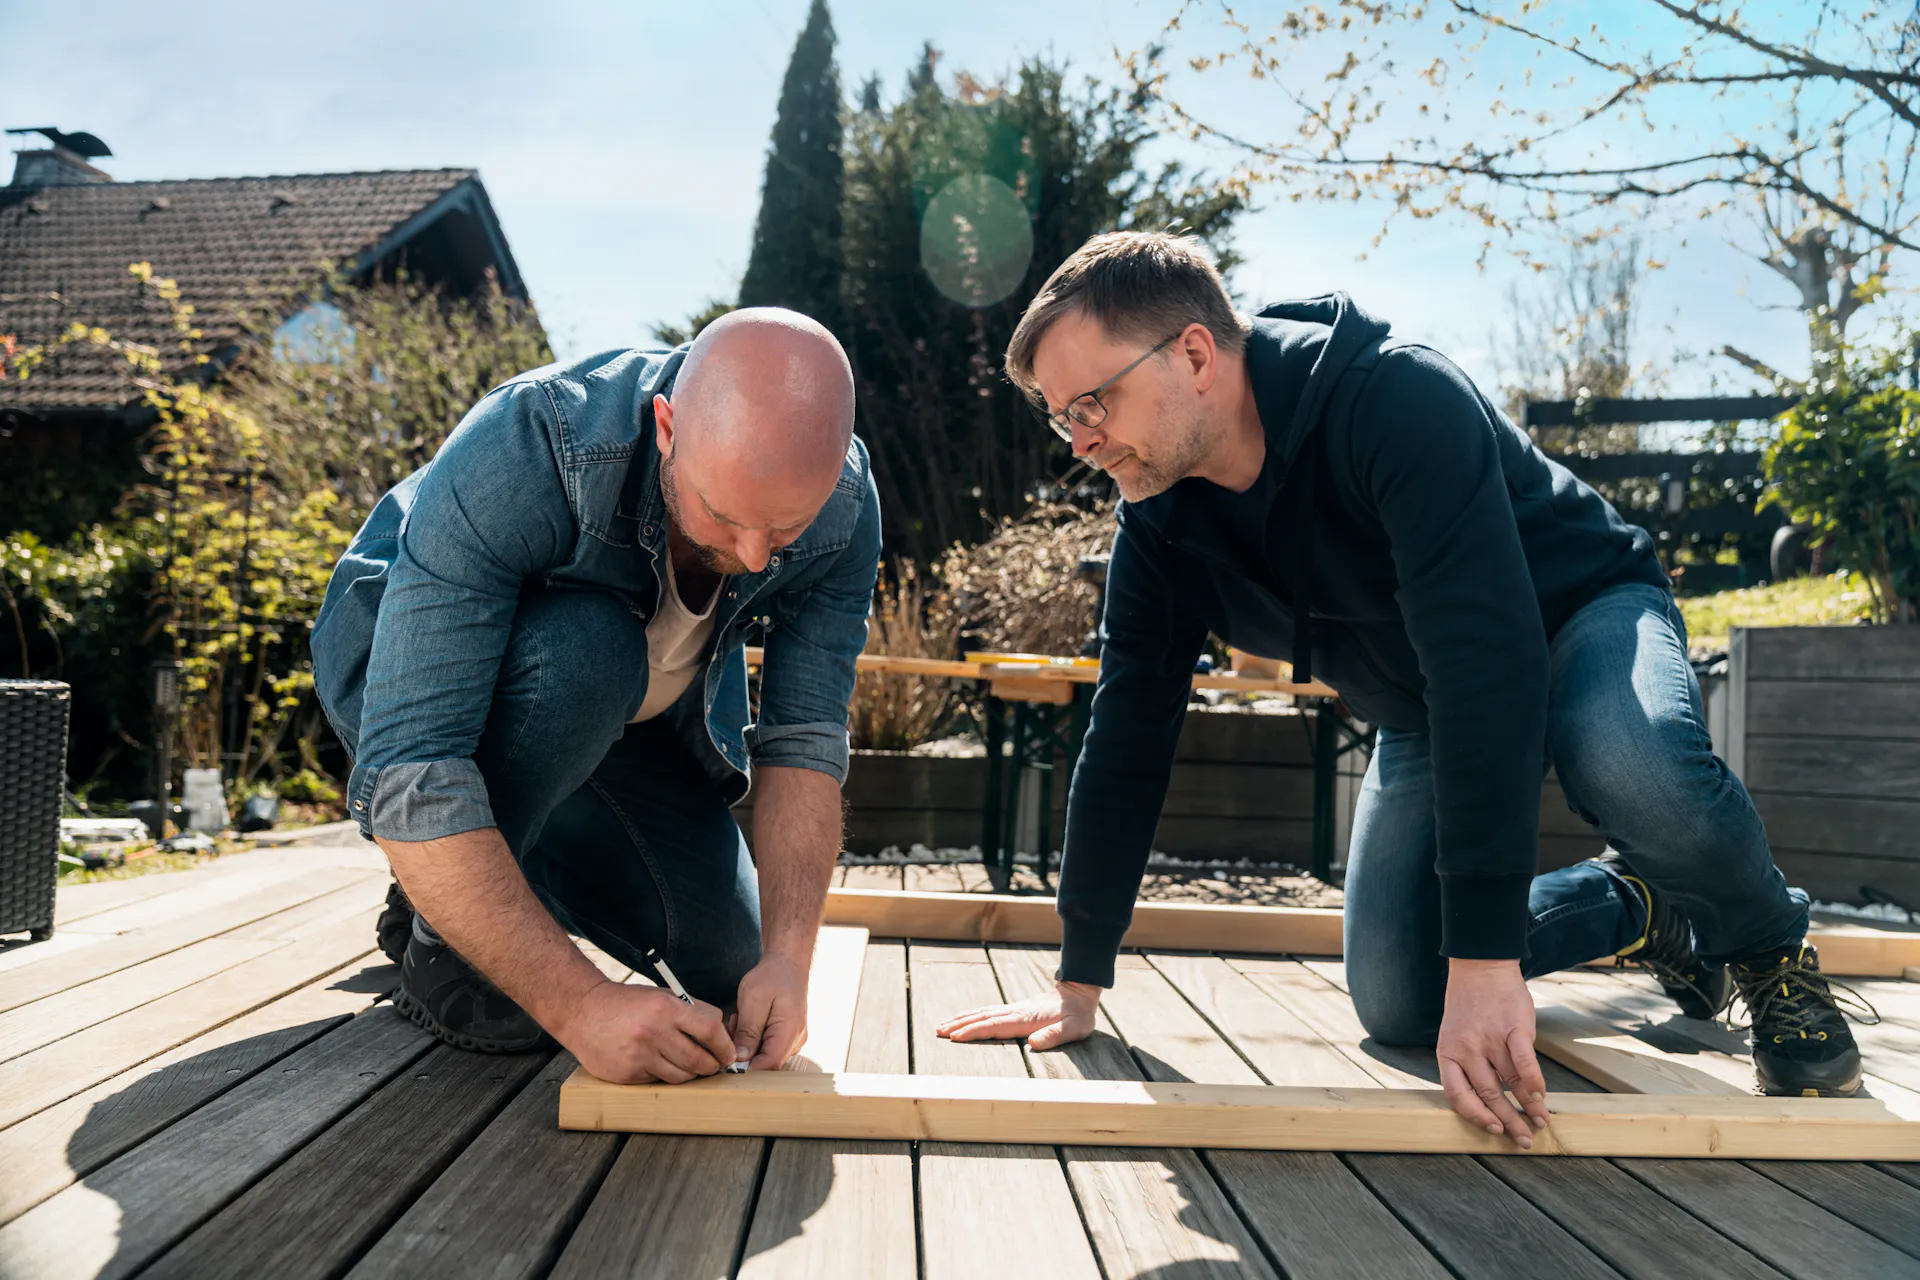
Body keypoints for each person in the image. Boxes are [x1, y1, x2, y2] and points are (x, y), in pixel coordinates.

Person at [936, 232, 1865, 1146]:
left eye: (1094, 401)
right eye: (1064, 416)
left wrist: (1491, 959)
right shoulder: (1158, 517)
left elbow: (1484, 664)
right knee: (1403, 997)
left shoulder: (1394, 400)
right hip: (1422, 706)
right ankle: (1648, 909)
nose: (1082, 440)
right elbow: (1129, 726)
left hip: (1574, 616)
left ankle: (1769, 950)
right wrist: (1079, 978)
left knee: (1634, 763)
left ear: (1194, 354)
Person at [312, 308, 881, 1087]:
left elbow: (803, 741)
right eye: (724, 514)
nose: (752, 556)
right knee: (590, 650)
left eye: (785, 528)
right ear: (667, 426)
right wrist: (582, 1006)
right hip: (416, 690)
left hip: (622, 730)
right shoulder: (532, 443)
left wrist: (789, 957)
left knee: (734, 966)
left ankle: (476, 876)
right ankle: (439, 934)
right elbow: (415, 769)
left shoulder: (847, 506)